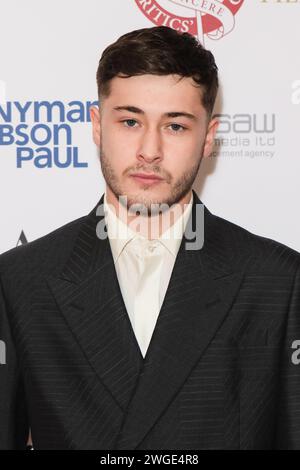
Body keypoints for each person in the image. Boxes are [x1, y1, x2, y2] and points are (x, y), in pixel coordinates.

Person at [0, 25, 300, 450]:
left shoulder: (278, 281)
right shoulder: (20, 280)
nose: (149, 150)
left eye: (175, 126)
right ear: (97, 125)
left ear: (208, 137)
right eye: (129, 121)